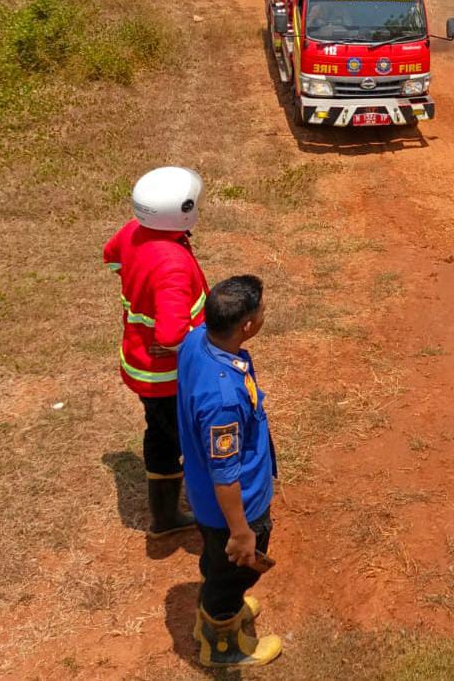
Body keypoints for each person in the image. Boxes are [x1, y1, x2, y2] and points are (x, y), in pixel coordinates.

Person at [177, 275, 282, 668]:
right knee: (234, 568)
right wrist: (241, 532)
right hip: (234, 507)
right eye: (262, 312)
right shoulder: (223, 399)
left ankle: (223, 602)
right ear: (247, 327)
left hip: (204, 497)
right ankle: (222, 644)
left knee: (216, 562)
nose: (264, 315)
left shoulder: (196, 341)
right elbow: (226, 476)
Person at [103, 167, 208, 538]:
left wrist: (138, 283)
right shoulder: (172, 266)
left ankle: (167, 511)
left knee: (161, 432)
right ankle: (175, 516)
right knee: (177, 440)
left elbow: (112, 257)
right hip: (165, 377)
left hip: (137, 361)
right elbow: (170, 333)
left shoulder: (134, 231)